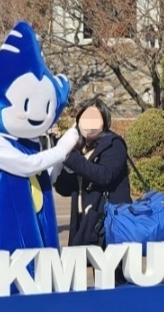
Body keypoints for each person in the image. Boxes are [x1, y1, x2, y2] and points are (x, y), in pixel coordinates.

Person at [54, 98, 131, 247]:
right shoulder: (79, 149)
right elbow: (63, 189)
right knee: (84, 267)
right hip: (84, 221)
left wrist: (71, 157)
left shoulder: (114, 144)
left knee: (113, 269)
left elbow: (104, 175)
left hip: (110, 220)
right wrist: (66, 164)